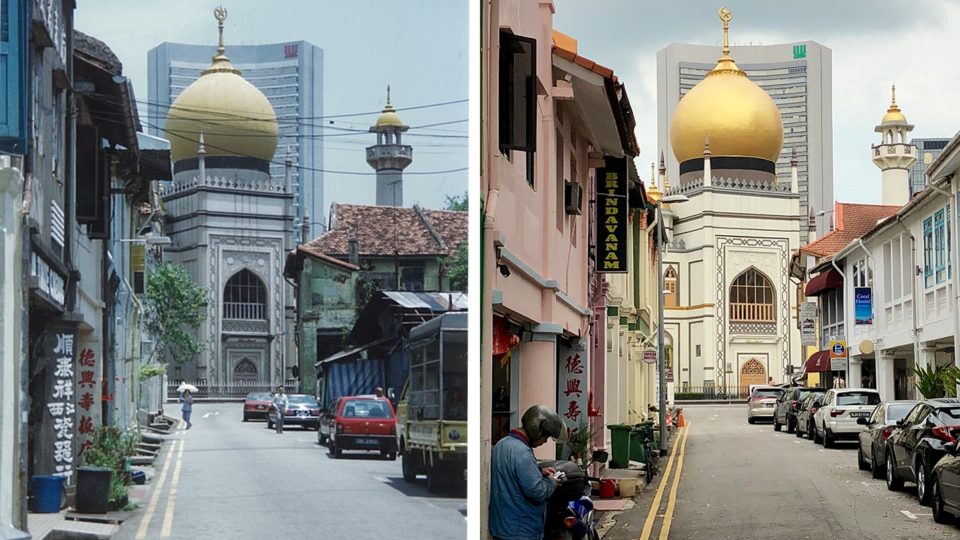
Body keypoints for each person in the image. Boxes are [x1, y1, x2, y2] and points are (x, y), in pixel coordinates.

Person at [489, 404, 564, 540]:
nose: (545, 441)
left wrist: (538, 471)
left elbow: (512, 475)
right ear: (537, 430)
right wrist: (552, 482)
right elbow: (537, 491)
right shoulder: (523, 452)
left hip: (502, 527)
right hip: (521, 529)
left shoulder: (502, 444)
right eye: (546, 437)